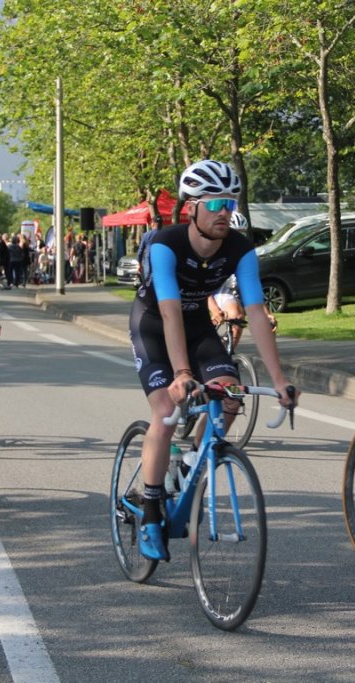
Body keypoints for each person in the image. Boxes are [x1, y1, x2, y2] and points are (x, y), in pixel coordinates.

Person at [128, 159, 299, 561]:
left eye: (231, 203)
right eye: (216, 203)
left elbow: (256, 311)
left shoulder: (241, 249)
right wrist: (182, 372)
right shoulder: (166, 243)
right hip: (153, 324)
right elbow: (169, 309)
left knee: (232, 395)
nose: (225, 211)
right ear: (192, 207)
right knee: (166, 412)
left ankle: (191, 461)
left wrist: (279, 379)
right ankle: (150, 510)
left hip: (198, 327)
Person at [206, 212, 277, 348]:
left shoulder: (244, 254)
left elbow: (252, 289)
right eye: (234, 233)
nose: (238, 237)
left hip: (234, 291)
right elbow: (203, 287)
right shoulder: (212, 252)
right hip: (214, 292)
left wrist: (267, 314)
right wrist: (215, 310)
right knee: (235, 313)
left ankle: (227, 353)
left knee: (257, 324)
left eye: (241, 233)